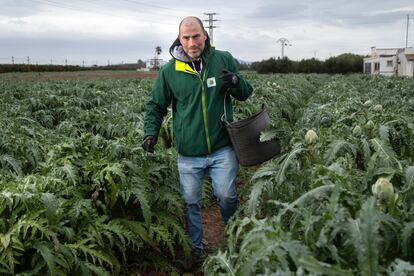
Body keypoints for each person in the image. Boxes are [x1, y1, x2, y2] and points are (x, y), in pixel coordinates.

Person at [142, 16, 253, 269]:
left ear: (205, 36)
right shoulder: (169, 71)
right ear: (179, 40)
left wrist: (236, 83)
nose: (192, 42)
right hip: (189, 153)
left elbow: (246, 94)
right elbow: (156, 106)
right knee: (190, 202)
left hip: (222, 146)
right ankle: (194, 250)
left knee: (226, 196)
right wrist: (151, 132)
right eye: (186, 37)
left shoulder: (222, 59)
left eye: (196, 36)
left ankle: (235, 242)